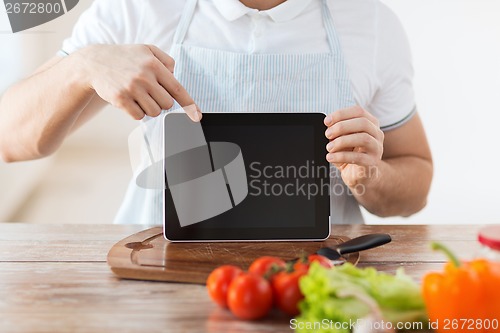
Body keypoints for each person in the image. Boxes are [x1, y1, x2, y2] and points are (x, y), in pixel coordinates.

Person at [0, 0, 433, 225]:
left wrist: (372, 178)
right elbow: (10, 138)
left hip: (312, 285)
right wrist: (82, 66)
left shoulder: (370, 22)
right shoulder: (137, 8)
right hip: (155, 278)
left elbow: (415, 181)